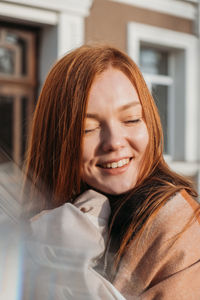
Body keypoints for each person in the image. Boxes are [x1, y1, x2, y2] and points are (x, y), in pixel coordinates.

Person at [23, 44, 200, 299]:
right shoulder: (37, 225)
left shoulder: (180, 227)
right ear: (56, 141)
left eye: (131, 119)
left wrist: (68, 270)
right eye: (88, 128)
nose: (115, 142)